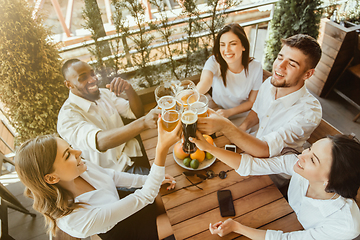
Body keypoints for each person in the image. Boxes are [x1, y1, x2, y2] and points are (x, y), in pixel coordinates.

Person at [15, 117, 181, 239]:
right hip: (129, 232)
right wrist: (161, 149)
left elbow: (111, 176)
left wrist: (147, 180)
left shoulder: (78, 167)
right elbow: (144, 196)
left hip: (126, 203)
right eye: (68, 155)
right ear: (51, 178)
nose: (78, 152)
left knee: (177, 197)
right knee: (181, 219)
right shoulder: (75, 220)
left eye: (70, 147)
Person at [190, 133, 360, 240]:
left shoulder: (345, 224)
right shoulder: (298, 165)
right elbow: (251, 165)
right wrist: (208, 149)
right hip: (286, 217)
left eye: (313, 159)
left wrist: (238, 227)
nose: (302, 155)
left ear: (329, 182)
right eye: (310, 149)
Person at [197, 34, 322, 158]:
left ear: (307, 74)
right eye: (280, 58)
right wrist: (242, 128)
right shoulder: (269, 84)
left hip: (275, 170)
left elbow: (266, 149)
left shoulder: (309, 113)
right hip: (253, 148)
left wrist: (225, 126)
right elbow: (257, 110)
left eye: (292, 64)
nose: (280, 66)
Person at [57, 59, 160, 173]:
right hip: (116, 172)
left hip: (133, 150)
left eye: (92, 74)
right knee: (165, 182)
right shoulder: (67, 118)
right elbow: (99, 141)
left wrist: (128, 89)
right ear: (68, 84)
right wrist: (144, 122)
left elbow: (136, 113)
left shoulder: (103, 94)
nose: (93, 79)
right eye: (83, 78)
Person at [197, 23, 263, 119]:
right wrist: (192, 95)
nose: (226, 50)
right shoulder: (214, 61)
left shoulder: (255, 67)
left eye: (233, 44)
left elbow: (252, 101)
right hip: (217, 112)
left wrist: (228, 112)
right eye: (222, 45)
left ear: (243, 46)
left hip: (244, 116)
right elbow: (205, 81)